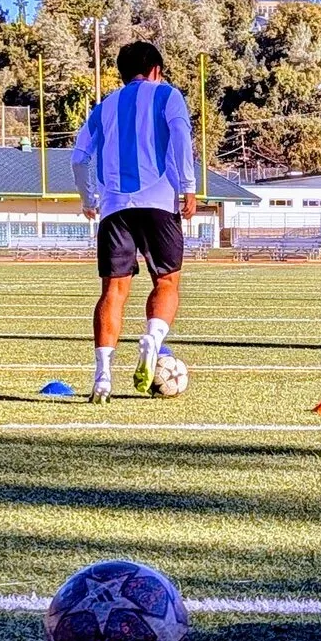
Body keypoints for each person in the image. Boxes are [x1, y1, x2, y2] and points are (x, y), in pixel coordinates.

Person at [71, 40, 200, 399]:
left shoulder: (104, 107)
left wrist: (89, 197)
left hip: (114, 209)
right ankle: (153, 339)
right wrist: (188, 186)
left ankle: (102, 377)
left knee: (113, 291)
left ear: (123, 74)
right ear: (156, 70)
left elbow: (80, 157)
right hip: (159, 201)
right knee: (167, 282)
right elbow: (180, 137)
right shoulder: (167, 95)